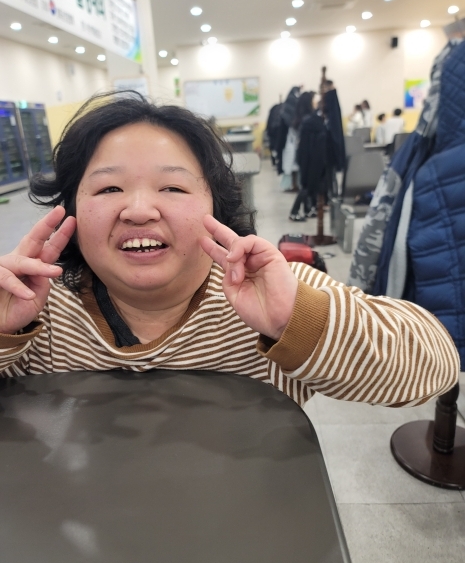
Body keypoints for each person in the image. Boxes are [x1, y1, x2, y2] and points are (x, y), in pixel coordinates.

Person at [0, 92, 458, 410]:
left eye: (173, 187)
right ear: (71, 211)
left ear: (215, 207)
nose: (138, 210)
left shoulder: (266, 295)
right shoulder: (33, 311)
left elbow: (436, 364)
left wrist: (296, 320)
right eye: (109, 188)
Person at [289, 91, 324, 221]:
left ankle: (308, 209)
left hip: (306, 157)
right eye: (314, 100)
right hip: (308, 158)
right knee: (307, 185)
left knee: (309, 184)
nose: (316, 102)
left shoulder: (305, 119)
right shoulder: (310, 121)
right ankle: (294, 212)